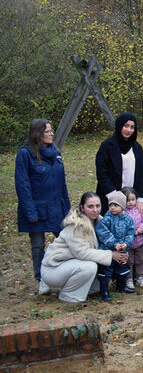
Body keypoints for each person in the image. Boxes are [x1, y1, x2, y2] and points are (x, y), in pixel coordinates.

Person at [40, 192, 128, 302]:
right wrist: (111, 255)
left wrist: (122, 251)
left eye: (98, 206)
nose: (95, 210)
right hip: (54, 268)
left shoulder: (100, 222)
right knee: (90, 267)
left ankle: (83, 289)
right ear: (82, 207)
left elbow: (111, 240)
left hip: (73, 264)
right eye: (90, 206)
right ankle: (68, 295)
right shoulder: (75, 225)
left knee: (99, 277)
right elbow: (82, 253)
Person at [15, 118, 70, 293]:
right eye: (47, 131)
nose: (52, 134)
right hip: (37, 208)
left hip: (56, 207)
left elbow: (62, 184)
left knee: (66, 239)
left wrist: (67, 209)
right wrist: (30, 212)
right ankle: (42, 279)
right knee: (38, 245)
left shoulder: (56, 153)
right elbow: (23, 186)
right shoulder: (25, 154)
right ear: (37, 134)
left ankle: (64, 274)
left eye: (51, 130)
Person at [95, 112, 143, 214]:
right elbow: (102, 172)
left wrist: (140, 198)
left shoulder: (137, 148)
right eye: (126, 126)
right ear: (119, 125)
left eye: (132, 127)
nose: (129, 130)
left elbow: (141, 175)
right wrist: (113, 196)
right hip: (110, 198)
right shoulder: (107, 146)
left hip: (131, 200)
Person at [95, 190, 136, 300]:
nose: (112, 207)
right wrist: (114, 244)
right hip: (108, 251)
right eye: (110, 205)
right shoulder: (106, 219)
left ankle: (121, 286)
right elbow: (103, 233)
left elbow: (131, 233)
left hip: (122, 250)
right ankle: (104, 291)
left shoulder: (128, 219)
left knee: (122, 269)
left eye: (116, 205)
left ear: (122, 206)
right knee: (106, 271)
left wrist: (126, 243)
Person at [121, 187, 143, 289]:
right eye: (127, 200)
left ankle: (140, 277)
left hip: (140, 241)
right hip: (127, 244)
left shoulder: (140, 210)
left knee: (139, 260)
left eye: (132, 199)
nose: (130, 202)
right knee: (129, 262)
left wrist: (141, 229)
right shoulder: (122, 212)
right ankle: (129, 278)